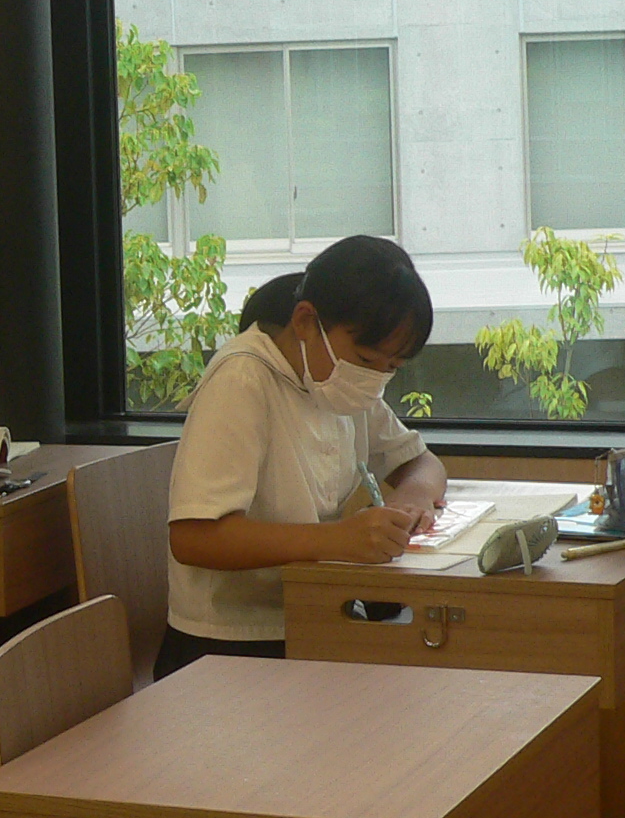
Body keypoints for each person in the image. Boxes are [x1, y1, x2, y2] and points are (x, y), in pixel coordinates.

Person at [162, 234, 449, 676]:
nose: (375, 378)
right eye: (367, 360)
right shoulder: (243, 380)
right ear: (305, 322)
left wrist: (412, 498)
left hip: (314, 614)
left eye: (392, 367)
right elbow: (193, 538)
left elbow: (421, 462)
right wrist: (338, 540)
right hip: (230, 644)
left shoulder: (339, 382)